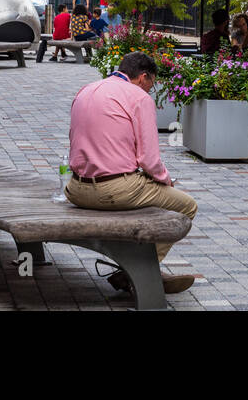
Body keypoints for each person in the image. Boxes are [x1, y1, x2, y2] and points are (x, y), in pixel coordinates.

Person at [65, 50, 198, 295]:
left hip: (75, 189)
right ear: (142, 77)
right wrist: (166, 181)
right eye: (151, 85)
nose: (150, 92)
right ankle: (140, 270)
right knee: (185, 205)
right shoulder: (138, 97)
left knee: (144, 190)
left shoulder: (86, 90)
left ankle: (141, 267)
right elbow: (149, 160)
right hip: (113, 191)